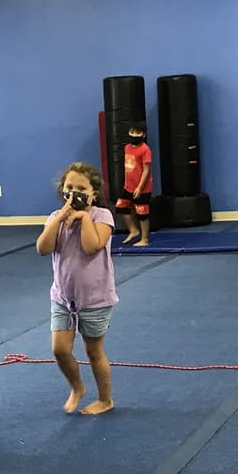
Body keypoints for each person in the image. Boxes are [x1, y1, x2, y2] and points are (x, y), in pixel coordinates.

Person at [36, 162, 117, 415]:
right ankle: (77, 387)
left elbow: (92, 246)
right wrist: (58, 220)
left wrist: (82, 218)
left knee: (93, 351)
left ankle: (105, 399)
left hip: (95, 299)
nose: (74, 193)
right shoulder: (55, 218)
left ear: (93, 193)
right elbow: (42, 248)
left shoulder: (101, 216)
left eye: (81, 188)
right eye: (69, 188)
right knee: (59, 350)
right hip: (63, 297)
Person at [115, 122, 153, 246]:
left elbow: (146, 170)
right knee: (121, 206)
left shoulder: (145, 149)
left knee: (142, 212)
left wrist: (139, 187)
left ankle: (145, 239)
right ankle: (133, 230)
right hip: (128, 186)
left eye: (138, 133)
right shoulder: (127, 148)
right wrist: (127, 184)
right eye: (132, 132)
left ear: (143, 134)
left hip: (142, 187)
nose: (134, 135)